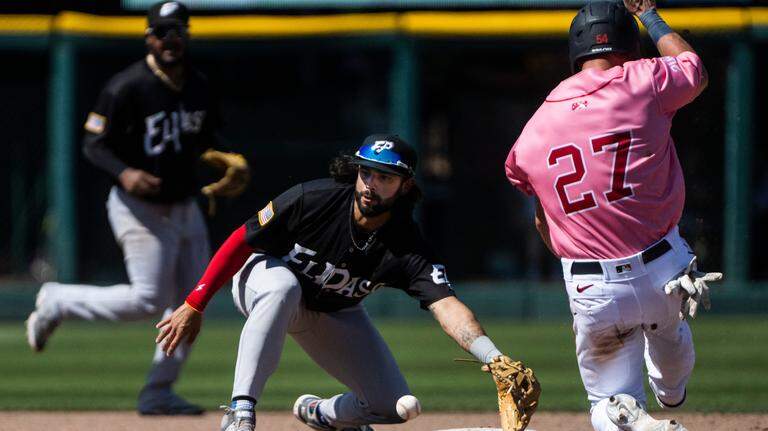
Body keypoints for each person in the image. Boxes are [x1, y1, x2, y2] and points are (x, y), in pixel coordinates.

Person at [155, 135, 514, 431]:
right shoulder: (313, 198)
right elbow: (241, 240)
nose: (372, 185)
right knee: (283, 287)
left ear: (405, 186)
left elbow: (446, 305)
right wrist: (195, 302)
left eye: (385, 178)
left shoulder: (406, 244)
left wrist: (494, 357)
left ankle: (323, 415)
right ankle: (240, 411)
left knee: (388, 406)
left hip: (330, 311)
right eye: (367, 173)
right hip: (262, 282)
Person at [503, 1, 722, 430]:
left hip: (593, 284)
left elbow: (541, 220)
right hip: (665, 268)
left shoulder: (533, 130)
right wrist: (651, 15)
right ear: (628, 43)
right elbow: (692, 67)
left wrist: (580, 269)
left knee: (606, 401)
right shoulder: (643, 80)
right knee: (671, 358)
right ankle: (670, 397)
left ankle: (636, 422)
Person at [25, 1, 245, 415]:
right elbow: (93, 142)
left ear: (187, 35)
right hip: (138, 207)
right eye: (161, 32)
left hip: (184, 205)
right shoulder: (126, 86)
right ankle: (57, 301)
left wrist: (228, 162)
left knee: (193, 300)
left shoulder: (198, 85)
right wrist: (124, 173)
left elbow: (209, 141)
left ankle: (158, 392)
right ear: (149, 38)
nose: (169, 39)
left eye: (177, 31)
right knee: (148, 301)